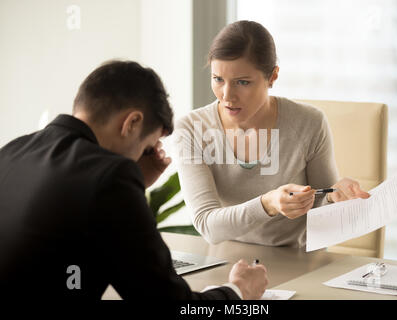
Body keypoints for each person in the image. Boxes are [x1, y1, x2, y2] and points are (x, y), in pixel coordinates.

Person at [0, 60, 267, 300]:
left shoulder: (12, 151)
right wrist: (238, 292)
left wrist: (135, 183)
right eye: (148, 147)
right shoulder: (110, 178)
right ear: (132, 123)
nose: (144, 157)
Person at [174, 20, 370, 247]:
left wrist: (336, 198)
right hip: (227, 263)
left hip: (298, 263)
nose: (227, 95)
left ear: (273, 76)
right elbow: (207, 225)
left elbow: (321, 211)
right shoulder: (191, 129)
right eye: (218, 79)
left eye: (242, 82)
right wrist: (268, 204)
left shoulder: (309, 123)